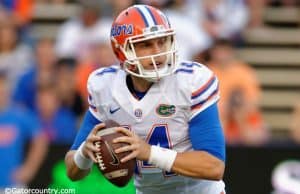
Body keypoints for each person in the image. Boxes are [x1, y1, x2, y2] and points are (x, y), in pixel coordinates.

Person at [65, 4, 226, 194]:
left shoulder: (190, 81)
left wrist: (149, 152)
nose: (158, 52)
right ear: (121, 51)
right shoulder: (104, 87)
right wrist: (84, 153)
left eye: (162, 41)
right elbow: (73, 171)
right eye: (145, 44)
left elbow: (214, 166)